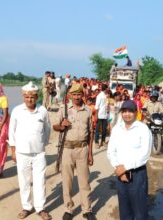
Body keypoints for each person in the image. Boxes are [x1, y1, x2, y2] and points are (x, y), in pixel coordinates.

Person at [8, 82, 52, 220]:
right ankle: (27, 207)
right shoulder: (17, 111)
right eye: (27, 97)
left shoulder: (42, 110)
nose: (29, 99)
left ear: (37, 97)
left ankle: (40, 208)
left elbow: (47, 130)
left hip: (39, 153)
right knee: (24, 181)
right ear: (23, 97)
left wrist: (41, 144)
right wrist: (13, 151)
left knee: (40, 181)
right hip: (22, 153)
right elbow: (11, 132)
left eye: (32, 97)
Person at [53, 84, 95, 220]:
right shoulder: (63, 109)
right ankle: (68, 209)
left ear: (83, 95)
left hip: (82, 149)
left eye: (79, 94)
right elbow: (55, 126)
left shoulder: (88, 110)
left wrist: (90, 153)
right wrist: (61, 125)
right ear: (70, 95)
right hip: (67, 149)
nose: (77, 97)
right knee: (67, 182)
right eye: (74, 94)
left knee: (84, 182)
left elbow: (91, 133)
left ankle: (87, 210)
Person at [107, 100, 152, 220]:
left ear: (136, 112)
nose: (127, 114)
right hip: (120, 175)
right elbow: (111, 151)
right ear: (121, 113)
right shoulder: (117, 129)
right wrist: (118, 168)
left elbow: (145, 154)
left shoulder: (143, 129)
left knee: (140, 211)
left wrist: (125, 168)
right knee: (124, 210)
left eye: (130, 111)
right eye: (124, 111)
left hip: (137, 175)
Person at [95, 84, 108, 148]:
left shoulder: (105, 96)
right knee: (97, 129)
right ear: (106, 89)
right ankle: (96, 142)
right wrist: (96, 115)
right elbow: (96, 106)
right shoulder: (99, 96)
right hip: (99, 115)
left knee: (104, 129)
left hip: (105, 115)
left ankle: (103, 141)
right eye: (107, 88)